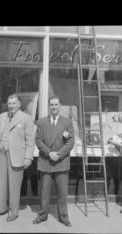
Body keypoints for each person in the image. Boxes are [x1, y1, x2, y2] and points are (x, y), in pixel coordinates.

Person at [0, 94, 35, 222]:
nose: (11, 106)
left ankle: (13, 212)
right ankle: (1, 209)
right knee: (1, 183)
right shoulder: (3, 116)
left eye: (13, 103)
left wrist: (28, 157)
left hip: (17, 156)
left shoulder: (26, 118)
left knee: (14, 186)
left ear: (19, 104)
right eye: (9, 103)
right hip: (1, 153)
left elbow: (30, 140)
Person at [33, 96, 74, 227]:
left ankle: (63, 217)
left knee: (62, 193)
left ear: (60, 106)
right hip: (46, 161)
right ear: (49, 107)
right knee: (44, 193)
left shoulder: (67, 122)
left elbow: (71, 141)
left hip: (61, 162)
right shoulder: (41, 122)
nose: (54, 107)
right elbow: (38, 140)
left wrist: (59, 154)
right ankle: (42, 215)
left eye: (56, 104)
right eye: (52, 105)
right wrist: (49, 152)